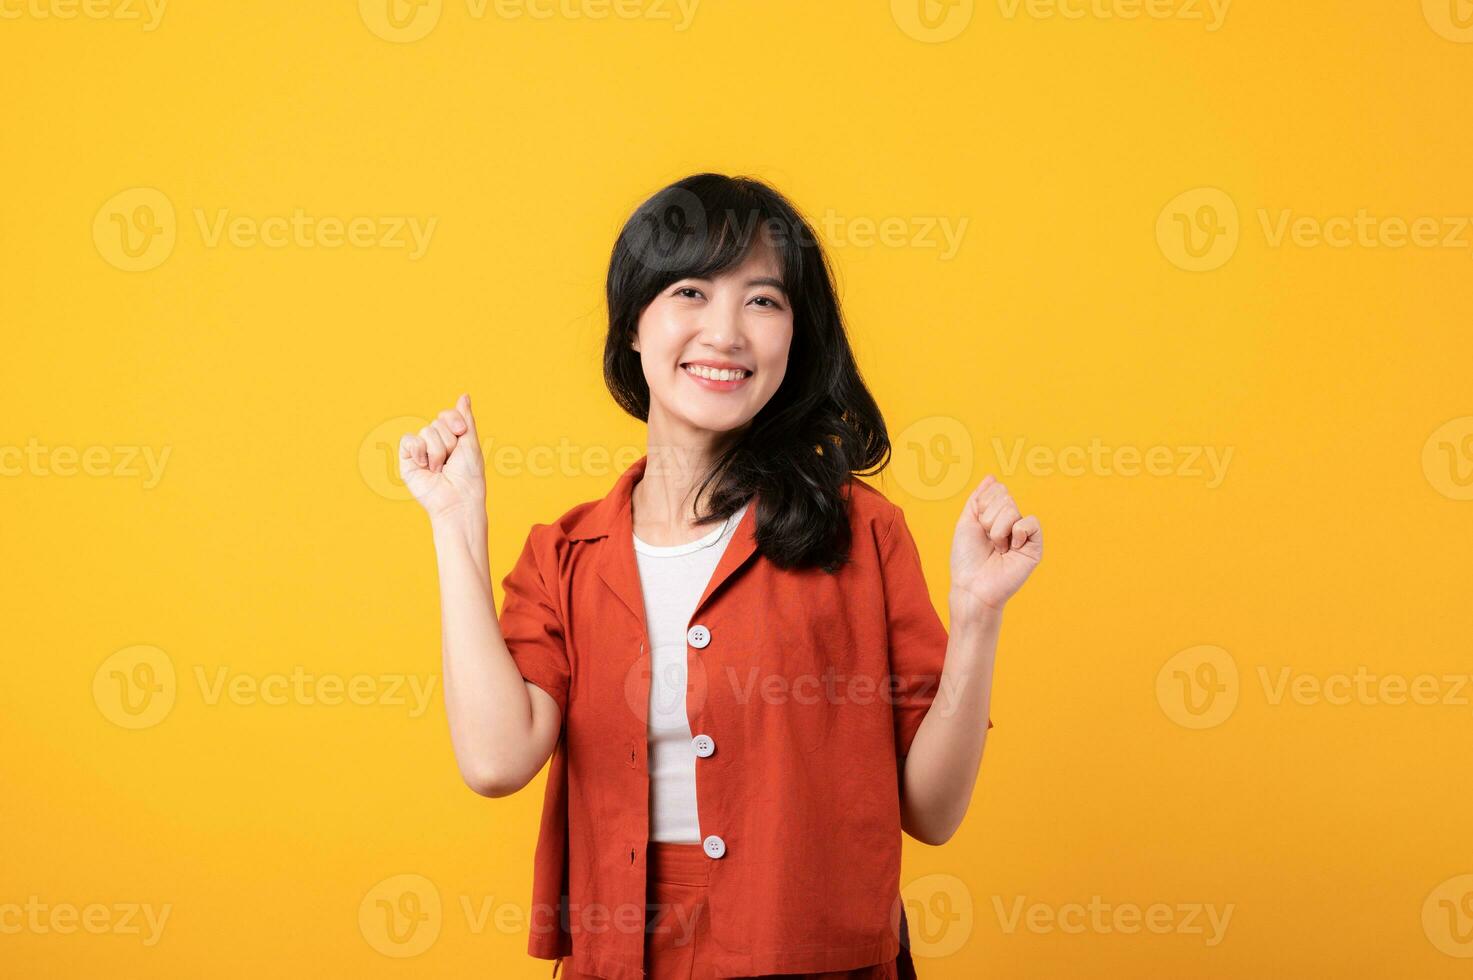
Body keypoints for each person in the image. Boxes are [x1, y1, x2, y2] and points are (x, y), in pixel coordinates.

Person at [398, 173, 1043, 980]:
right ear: (633, 326)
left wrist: (977, 617)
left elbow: (934, 810)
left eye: (763, 301)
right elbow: (495, 761)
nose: (726, 331)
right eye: (690, 291)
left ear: (795, 338)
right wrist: (455, 526)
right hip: (621, 959)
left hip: (817, 961)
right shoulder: (565, 555)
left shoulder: (859, 532)